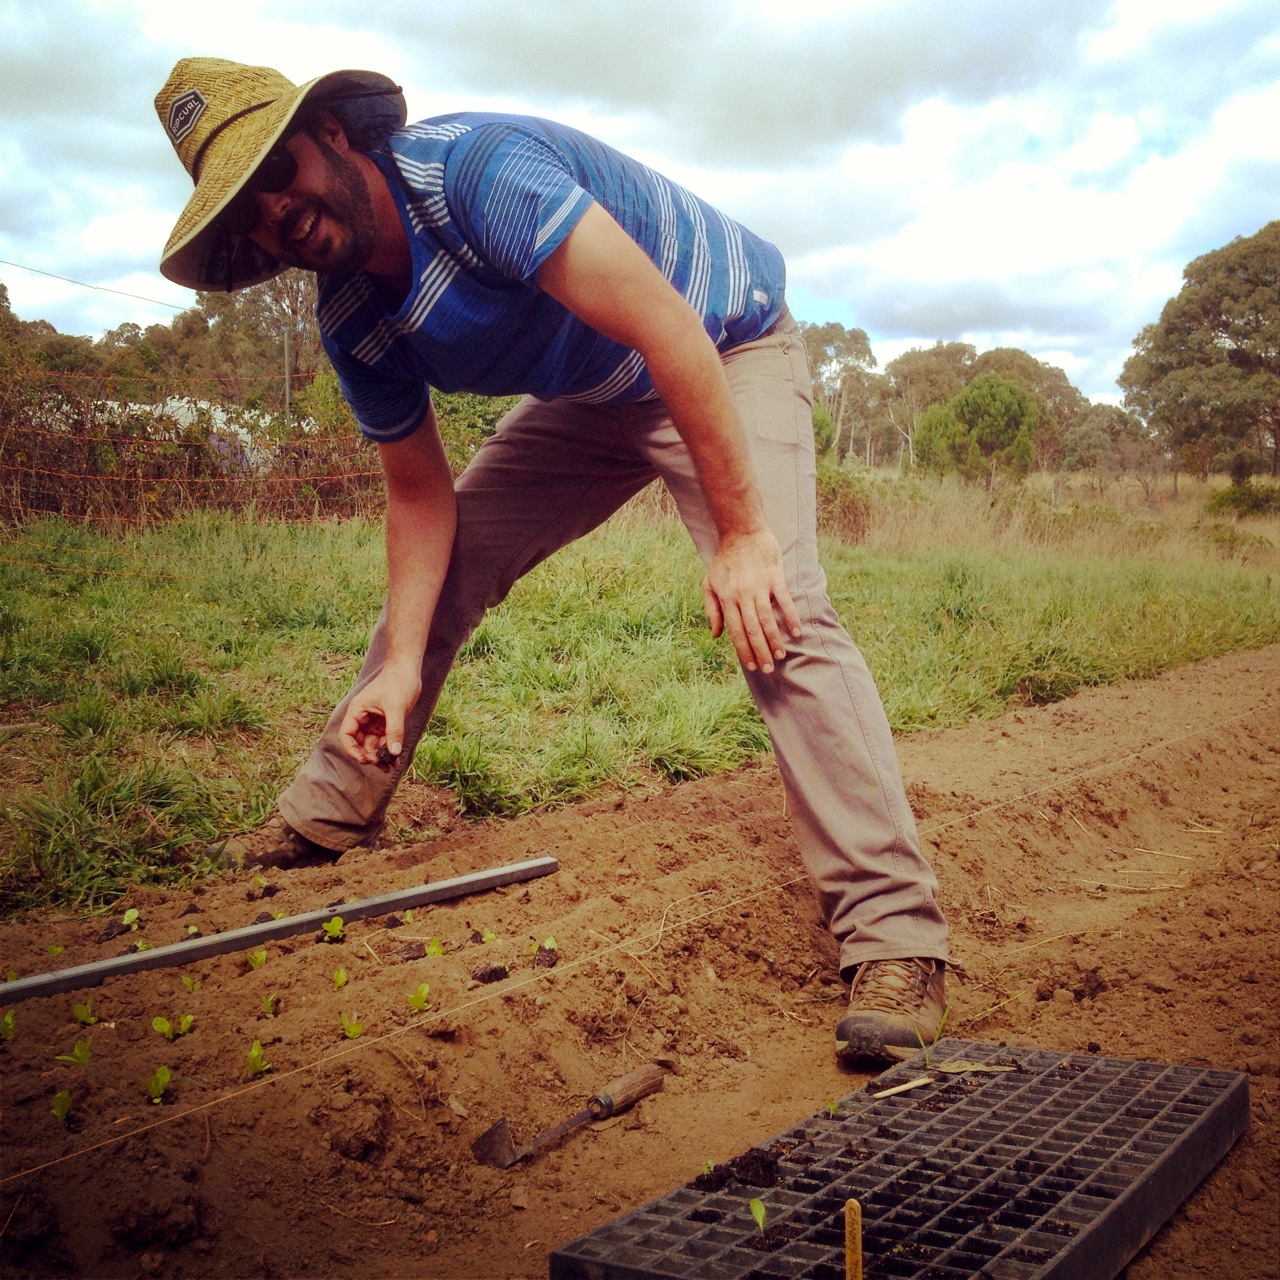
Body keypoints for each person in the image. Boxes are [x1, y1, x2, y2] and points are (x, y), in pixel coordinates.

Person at [154, 57, 949, 1066]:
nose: (278, 210)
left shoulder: (475, 176)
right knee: (440, 581)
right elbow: (417, 494)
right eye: (248, 211)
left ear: (334, 137)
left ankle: (896, 941)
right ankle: (324, 813)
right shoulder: (353, 318)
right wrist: (399, 664)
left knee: (774, 610)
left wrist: (747, 539)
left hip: (720, 345)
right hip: (592, 391)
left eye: (281, 170)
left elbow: (668, 327)